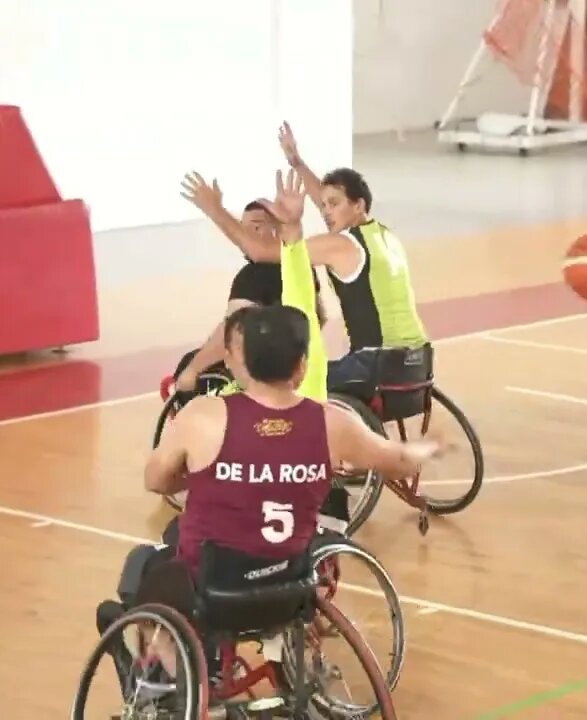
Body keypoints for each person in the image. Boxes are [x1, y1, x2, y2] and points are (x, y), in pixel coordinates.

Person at [94, 169, 442, 689]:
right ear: (303, 363)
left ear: (236, 361)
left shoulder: (206, 418)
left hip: (222, 585)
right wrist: (435, 446)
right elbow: (399, 460)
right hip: (293, 581)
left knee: (151, 562)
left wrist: (195, 474)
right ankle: (295, 650)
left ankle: (162, 675)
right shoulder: (331, 421)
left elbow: (157, 480)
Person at [187, 122, 430, 389]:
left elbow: (262, 251)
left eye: (333, 204)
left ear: (358, 205)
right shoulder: (385, 237)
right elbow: (330, 202)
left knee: (290, 381)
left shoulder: (341, 245)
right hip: (419, 362)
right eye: (323, 205)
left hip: (376, 366)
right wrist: (297, 162)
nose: (325, 211)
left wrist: (214, 209)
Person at [173, 177, 325, 394]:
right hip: (311, 381)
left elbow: (232, 332)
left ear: (276, 230)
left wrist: (191, 371)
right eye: (242, 228)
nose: (244, 235)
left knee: (193, 373)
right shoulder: (302, 268)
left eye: (254, 228)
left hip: (269, 386)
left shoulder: (256, 274)